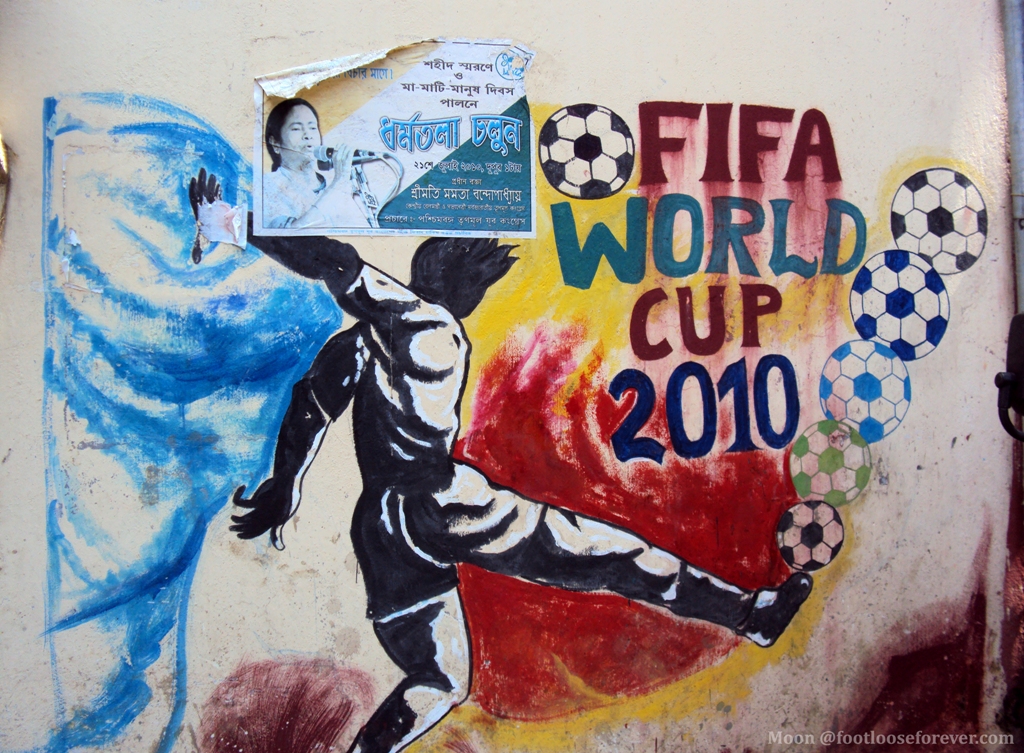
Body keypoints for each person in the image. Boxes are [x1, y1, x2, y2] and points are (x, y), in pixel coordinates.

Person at [190, 171, 814, 753]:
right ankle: (747, 613)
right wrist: (233, 224)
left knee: (440, 678)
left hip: (379, 524)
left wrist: (287, 483)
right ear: (461, 285)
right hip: (439, 501)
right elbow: (335, 262)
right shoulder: (426, 324)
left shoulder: (358, 345)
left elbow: (311, 406)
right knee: (610, 554)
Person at [262, 97, 364, 229]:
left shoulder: (331, 182)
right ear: (275, 143)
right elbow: (289, 234)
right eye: (296, 129)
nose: (308, 135)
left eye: (312, 128)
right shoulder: (267, 185)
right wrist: (338, 184)